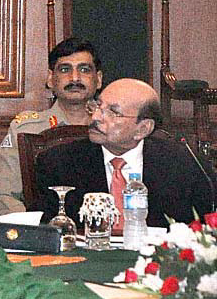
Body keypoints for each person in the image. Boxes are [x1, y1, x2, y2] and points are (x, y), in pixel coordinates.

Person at [32, 78, 216, 228]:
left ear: (143, 129)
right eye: (97, 106)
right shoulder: (58, 163)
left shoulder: (185, 165)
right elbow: (45, 230)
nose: (95, 117)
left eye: (113, 112)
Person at [0, 38, 103, 215]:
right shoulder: (26, 129)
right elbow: (3, 197)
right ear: (50, 79)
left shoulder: (116, 128)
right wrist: (36, 230)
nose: (75, 78)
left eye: (84, 70)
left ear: (99, 79)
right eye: (65, 70)